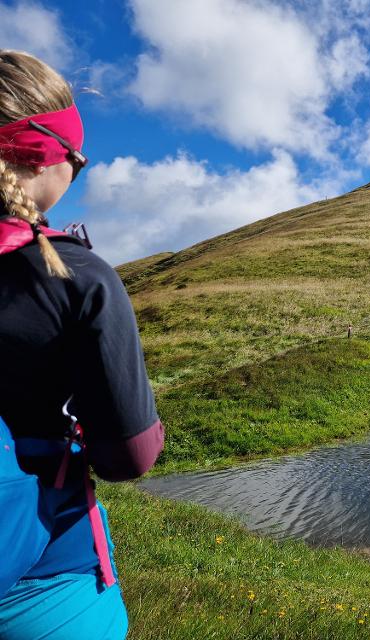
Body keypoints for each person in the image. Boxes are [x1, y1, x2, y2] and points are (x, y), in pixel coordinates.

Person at [0, 50, 163, 639]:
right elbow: (130, 458)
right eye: (79, 157)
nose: (81, 165)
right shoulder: (78, 277)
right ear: (42, 154)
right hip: (45, 583)